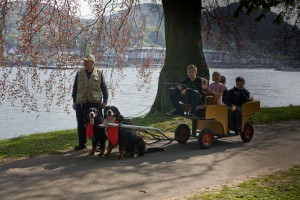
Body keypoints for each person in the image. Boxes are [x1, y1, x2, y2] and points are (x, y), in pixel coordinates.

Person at [72, 54, 108, 150]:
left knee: (97, 124)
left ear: (92, 62)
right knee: (81, 124)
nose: (84, 63)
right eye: (84, 61)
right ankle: (82, 144)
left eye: (87, 61)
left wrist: (105, 101)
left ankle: (99, 144)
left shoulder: (99, 73)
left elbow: (104, 89)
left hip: (95, 104)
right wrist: (74, 101)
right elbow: (74, 89)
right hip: (81, 103)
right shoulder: (79, 73)